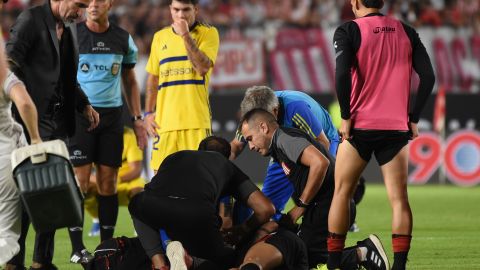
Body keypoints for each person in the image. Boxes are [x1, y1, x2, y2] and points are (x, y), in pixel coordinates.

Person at [327, 1, 435, 270]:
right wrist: (413, 117)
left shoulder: (348, 30)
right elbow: (428, 77)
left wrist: (346, 115)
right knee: (399, 199)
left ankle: (334, 263)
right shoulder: (406, 31)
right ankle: (399, 266)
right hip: (395, 128)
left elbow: (341, 74)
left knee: (341, 193)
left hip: (360, 127)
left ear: (355, 2)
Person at [5, 0, 100, 268]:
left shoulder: (68, 28)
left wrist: (83, 104)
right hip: (29, 121)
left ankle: (41, 262)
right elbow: (10, 62)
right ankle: (13, 263)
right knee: (24, 197)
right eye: (79, 5)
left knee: (55, 194)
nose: (81, 13)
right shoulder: (31, 20)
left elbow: (66, 78)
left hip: (58, 122)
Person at [240, 108, 389, 270]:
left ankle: (363, 253)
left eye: (250, 139)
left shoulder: (284, 139)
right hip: (328, 204)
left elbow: (320, 163)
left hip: (328, 205)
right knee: (303, 254)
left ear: (263, 127)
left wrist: (300, 207)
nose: (251, 146)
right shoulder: (281, 144)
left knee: (305, 259)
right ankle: (361, 254)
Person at [67, 0, 147, 251]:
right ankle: (77, 247)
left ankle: (105, 246)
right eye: (87, 1)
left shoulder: (122, 38)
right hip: (81, 117)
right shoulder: (72, 35)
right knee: (80, 182)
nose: (92, 5)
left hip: (112, 118)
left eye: (98, 1)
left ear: (109, 4)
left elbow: (130, 81)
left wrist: (137, 118)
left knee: (108, 183)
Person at [128, 137, 275, 270]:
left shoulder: (174, 156)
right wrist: (242, 230)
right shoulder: (226, 165)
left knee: (138, 205)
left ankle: (160, 264)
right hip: (197, 215)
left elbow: (158, 193)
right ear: (227, 157)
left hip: (150, 205)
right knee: (224, 261)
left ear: (198, 149)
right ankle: (190, 261)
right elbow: (266, 209)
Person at [230, 86, 340, 222]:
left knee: (320, 198)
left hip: (324, 140)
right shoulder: (253, 115)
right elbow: (235, 146)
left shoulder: (296, 108)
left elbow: (323, 145)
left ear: (275, 111)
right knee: (269, 206)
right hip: (284, 149)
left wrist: (302, 204)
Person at [143, 0, 219, 173]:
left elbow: (202, 67)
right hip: (164, 125)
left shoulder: (208, 33)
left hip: (196, 123)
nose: (181, 15)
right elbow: (153, 78)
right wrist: (147, 113)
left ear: (196, 10)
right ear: (170, 10)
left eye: (186, 10)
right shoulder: (160, 37)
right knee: (161, 182)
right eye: (176, 10)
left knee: (199, 181)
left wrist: (185, 35)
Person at [0, 0, 42, 262]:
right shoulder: (5, 78)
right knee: (7, 238)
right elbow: (25, 103)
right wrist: (35, 138)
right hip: (5, 158)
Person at [84, 126, 146, 237]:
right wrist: (102, 180)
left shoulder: (129, 135)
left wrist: (114, 180)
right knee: (84, 188)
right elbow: (83, 169)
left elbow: (136, 170)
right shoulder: (90, 134)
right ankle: (97, 219)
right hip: (102, 181)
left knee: (139, 192)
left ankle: (140, 224)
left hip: (126, 182)